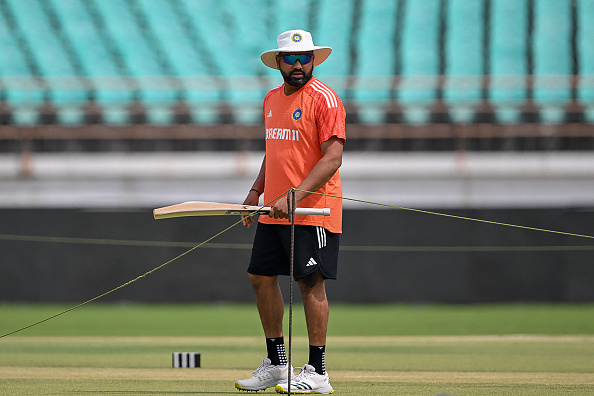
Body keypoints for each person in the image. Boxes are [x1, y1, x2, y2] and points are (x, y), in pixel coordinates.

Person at [234, 29, 346, 394]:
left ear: (313, 60)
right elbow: (275, 151)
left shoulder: (325, 100)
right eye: (291, 59)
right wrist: (255, 191)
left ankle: (317, 372)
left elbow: (333, 157)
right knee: (259, 276)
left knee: (309, 283)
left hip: (313, 210)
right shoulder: (270, 99)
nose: (299, 65)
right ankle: (278, 365)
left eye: (305, 58)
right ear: (278, 62)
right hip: (274, 208)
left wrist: (296, 196)